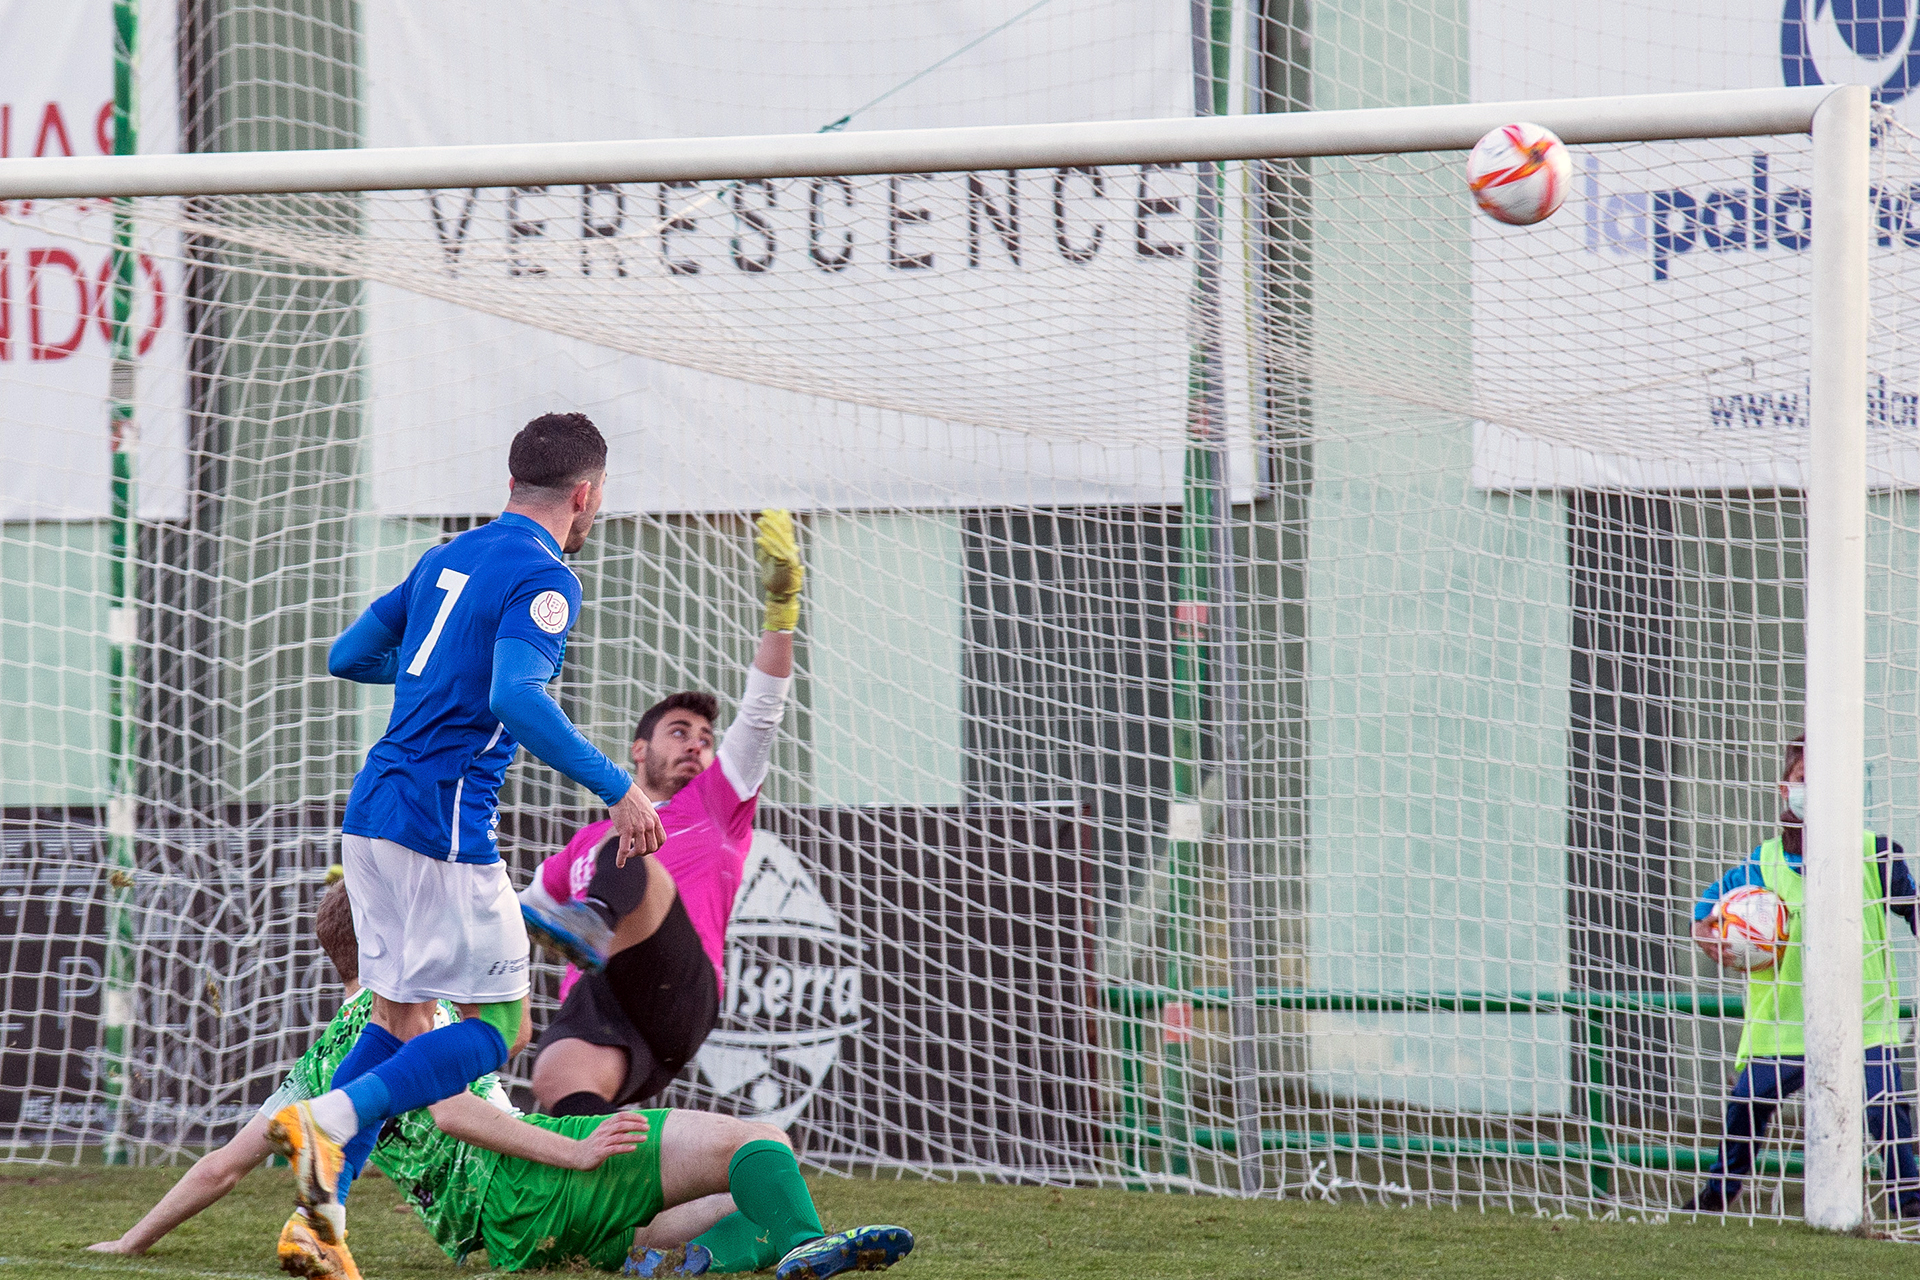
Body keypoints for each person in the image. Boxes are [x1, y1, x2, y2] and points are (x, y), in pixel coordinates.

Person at [270, 413, 668, 1270]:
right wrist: (620, 790)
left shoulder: (444, 557)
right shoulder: (544, 575)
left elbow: (348, 655)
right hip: (441, 826)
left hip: (371, 814)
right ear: (585, 495)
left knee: (397, 1019)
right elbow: (519, 700)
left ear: (510, 482)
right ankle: (328, 1119)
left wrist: (433, 668)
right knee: (500, 1029)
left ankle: (317, 1220)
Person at [90, 882, 913, 1280]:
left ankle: (661, 1258)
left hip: (503, 1232)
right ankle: (798, 1251)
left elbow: (224, 1166)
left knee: (745, 1202)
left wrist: (131, 1240)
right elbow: (450, 1111)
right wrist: (572, 1152)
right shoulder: (413, 1011)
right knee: (762, 1146)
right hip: (530, 1172)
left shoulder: (316, 1070)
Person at [519, 509, 803, 1115]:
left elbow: (761, 713)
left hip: (681, 987)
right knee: (555, 1079)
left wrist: (781, 614)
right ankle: (625, 1209)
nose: (698, 743)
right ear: (640, 750)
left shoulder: (717, 804)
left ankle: (595, 918)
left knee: (631, 849)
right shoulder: (583, 844)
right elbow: (517, 915)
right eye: (680, 732)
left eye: (705, 736)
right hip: (602, 1005)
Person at [1680, 733, 1920, 1216]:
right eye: (1805, 780)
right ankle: (1717, 1195)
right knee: (1745, 1108)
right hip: (1782, 1026)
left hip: (1862, 1021)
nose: (1817, 791)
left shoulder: (1876, 854)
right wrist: (1717, 946)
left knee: (1884, 1109)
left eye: (1828, 782)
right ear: (1787, 790)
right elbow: (1703, 921)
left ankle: (1909, 1199)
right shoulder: (1760, 862)